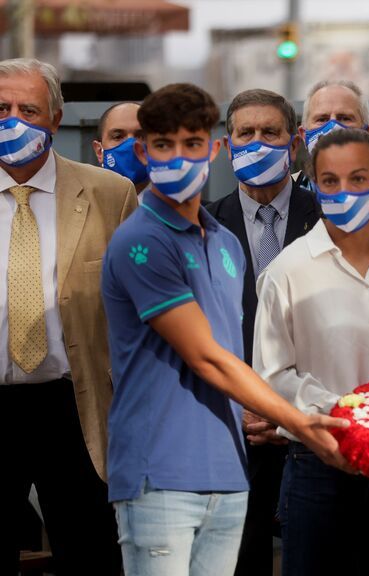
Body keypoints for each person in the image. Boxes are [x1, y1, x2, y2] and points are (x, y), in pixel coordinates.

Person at [101, 82, 348, 576]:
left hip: (226, 467)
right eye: (164, 144)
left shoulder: (222, 242)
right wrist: (297, 421)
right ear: (144, 153)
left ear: (211, 150)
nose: (179, 157)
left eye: (192, 143)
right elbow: (207, 356)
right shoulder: (140, 241)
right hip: (162, 473)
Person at [254, 127, 369, 576]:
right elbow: (272, 374)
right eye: (330, 181)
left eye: (358, 179)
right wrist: (342, 411)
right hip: (317, 465)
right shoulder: (288, 271)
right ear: (314, 185)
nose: (344, 192)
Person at [0, 57, 137, 576]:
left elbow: (136, 316)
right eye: (1, 108)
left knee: (90, 554)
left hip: (76, 406)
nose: (13, 120)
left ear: (56, 119)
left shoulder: (109, 194)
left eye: (28, 110)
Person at [205, 88, 321, 576]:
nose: (257, 143)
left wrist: (288, 412)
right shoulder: (201, 226)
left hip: (311, 425)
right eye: (245, 134)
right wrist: (243, 406)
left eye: (270, 133)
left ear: (294, 143)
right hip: (233, 430)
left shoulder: (329, 219)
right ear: (226, 146)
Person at [294, 79, 369, 190]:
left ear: (368, 134)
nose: (333, 128)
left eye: (345, 118)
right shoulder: (286, 192)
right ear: (303, 135)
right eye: (322, 119)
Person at [93, 101, 149, 194]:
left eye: (141, 136)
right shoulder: (82, 200)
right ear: (99, 151)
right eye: (118, 136)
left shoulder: (173, 200)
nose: (131, 145)